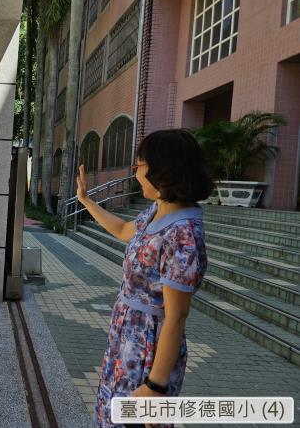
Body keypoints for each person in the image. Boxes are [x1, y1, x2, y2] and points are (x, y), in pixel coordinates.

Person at [76, 129, 213, 428]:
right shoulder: (158, 210)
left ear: (164, 169)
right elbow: (124, 230)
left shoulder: (182, 234)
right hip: (127, 338)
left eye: (139, 164)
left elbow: (176, 317)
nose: (135, 172)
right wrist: (86, 201)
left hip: (148, 350)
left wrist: (155, 386)